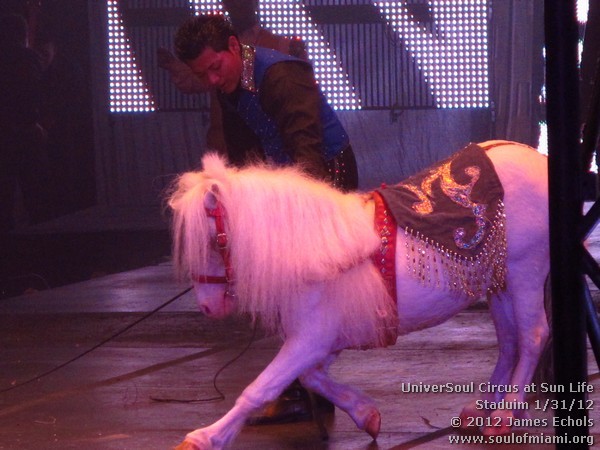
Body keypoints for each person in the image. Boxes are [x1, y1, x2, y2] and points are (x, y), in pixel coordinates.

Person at [173, 13, 358, 191]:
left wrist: (309, 200)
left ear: (234, 45)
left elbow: (306, 146)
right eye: (201, 75)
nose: (212, 79)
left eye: (216, 67)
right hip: (287, 175)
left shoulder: (281, 76)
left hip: (327, 169)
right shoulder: (226, 82)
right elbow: (242, 156)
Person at [158, 0, 308, 154]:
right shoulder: (213, 45)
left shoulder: (280, 46)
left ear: (254, 3)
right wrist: (173, 65)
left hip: (272, 146)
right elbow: (193, 81)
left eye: (242, 3)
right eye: (231, 3)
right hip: (226, 143)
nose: (214, 78)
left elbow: (301, 100)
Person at [0, 13, 51, 232]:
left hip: (4, 133)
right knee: (35, 192)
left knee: (5, 194)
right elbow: (34, 93)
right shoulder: (28, 58)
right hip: (26, 131)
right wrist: (34, 121)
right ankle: (40, 238)